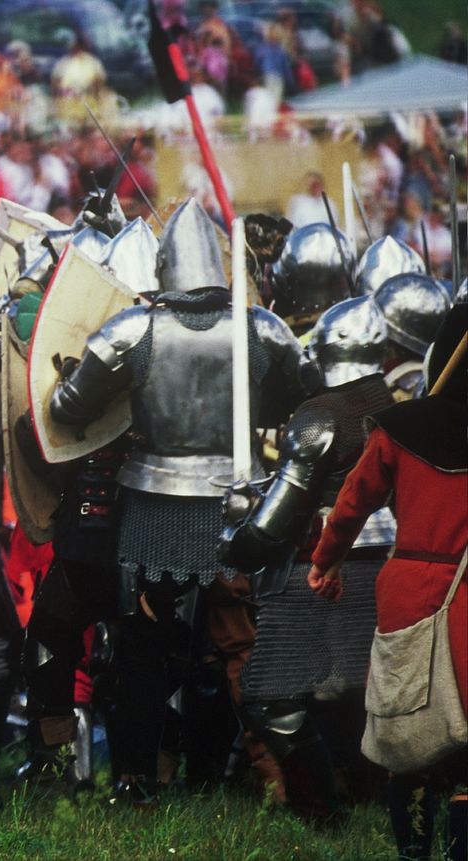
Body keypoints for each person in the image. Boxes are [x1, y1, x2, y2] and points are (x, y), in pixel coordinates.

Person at [48, 198, 318, 804]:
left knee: (139, 648)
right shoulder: (261, 328)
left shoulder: (132, 331)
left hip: (153, 504)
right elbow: (305, 401)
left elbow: (65, 409)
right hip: (237, 501)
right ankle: (223, 775)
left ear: (164, 268)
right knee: (234, 646)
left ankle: (138, 779)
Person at [220, 296, 395, 821]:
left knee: (273, 695)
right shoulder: (397, 406)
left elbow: (276, 523)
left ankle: (320, 809)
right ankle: (369, 795)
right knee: (357, 688)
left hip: (325, 566)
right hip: (390, 559)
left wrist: (233, 543)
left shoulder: (317, 419)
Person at [309, 305, 468, 861]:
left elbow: (353, 502)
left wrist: (325, 560)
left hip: (412, 591)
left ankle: (415, 853)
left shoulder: (403, 429)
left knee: (410, 739)